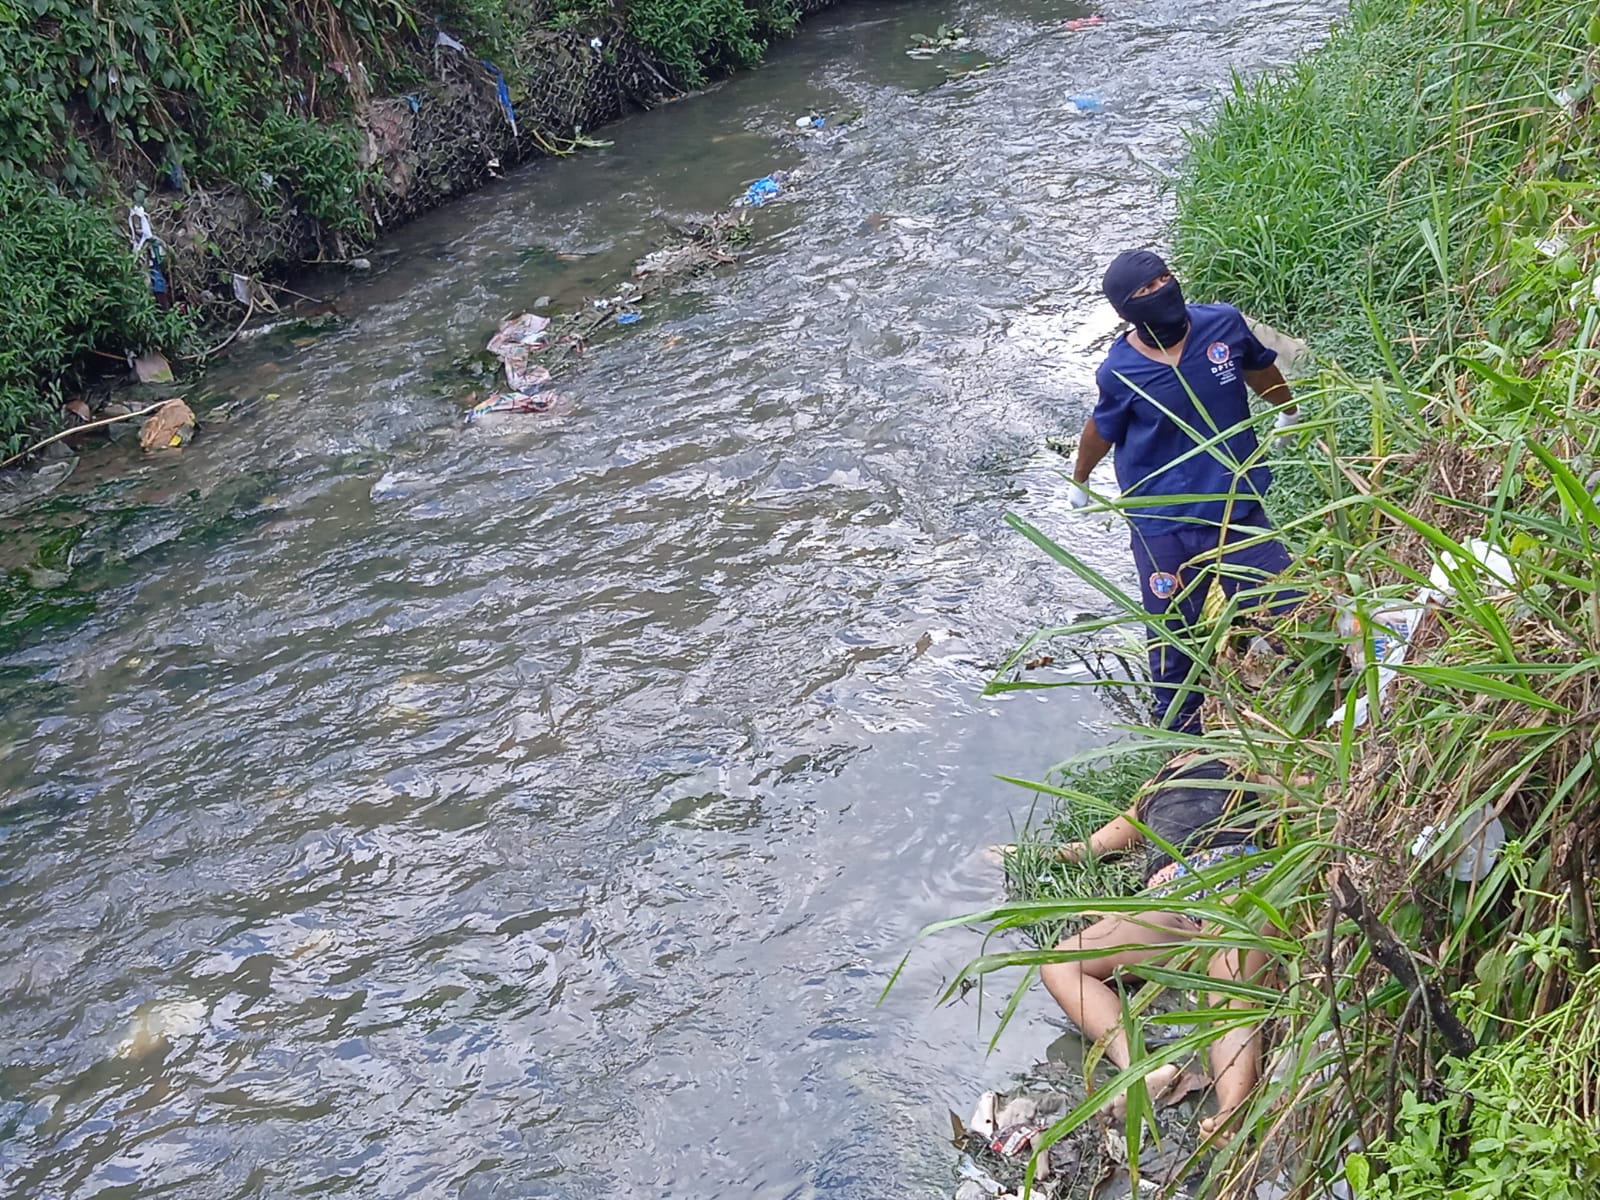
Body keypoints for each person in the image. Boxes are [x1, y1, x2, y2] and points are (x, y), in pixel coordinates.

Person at [1069, 250, 1301, 733]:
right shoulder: (1121, 370)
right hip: (1164, 522)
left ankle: (1309, 704)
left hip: (1235, 504)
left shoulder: (1222, 326)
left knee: (1287, 608)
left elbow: (1258, 368)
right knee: (1175, 637)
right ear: (1124, 311)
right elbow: (1101, 427)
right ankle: (1181, 739)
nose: (1160, 292)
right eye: (1144, 292)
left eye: (1164, 280)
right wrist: (1082, 481)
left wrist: (1289, 410)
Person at [1032, 753, 1275, 1140]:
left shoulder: (1244, 766)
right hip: (1173, 902)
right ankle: (1140, 1070)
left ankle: (1232, 1109)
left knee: (1232, 983)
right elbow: (1089, 849)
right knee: (1060, 963)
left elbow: (1306, 804)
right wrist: (1012, 854)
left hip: (1237, 886)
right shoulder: (1154, 790)